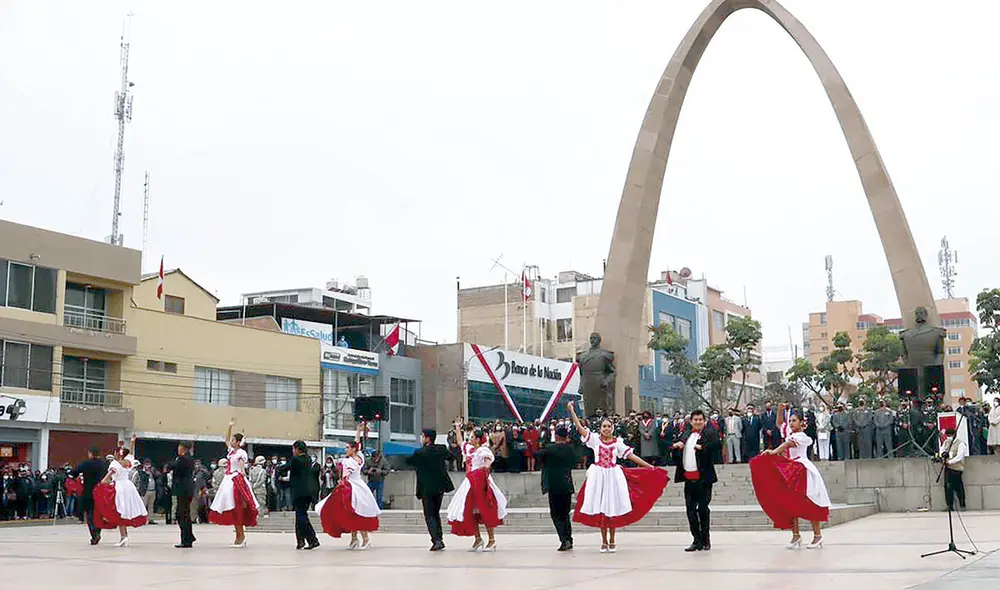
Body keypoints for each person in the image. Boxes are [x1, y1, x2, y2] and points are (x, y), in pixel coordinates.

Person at [568, 401, 667, 553]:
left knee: (611, 506)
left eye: (609, 426)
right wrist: (572, 411)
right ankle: (603, 541)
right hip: (599, 476)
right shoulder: (594, 440)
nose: (606, 429)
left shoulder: (617, 443)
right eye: (604, 426)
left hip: (613, 476)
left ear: (612, 428)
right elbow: (580, 428)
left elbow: (632, 456)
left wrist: (649, 467)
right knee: (601, 507)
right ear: (600, 429)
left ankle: (612, 540)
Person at [750, 412, 831, 549]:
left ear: (801, 422)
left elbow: (788, 444)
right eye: (791, 420)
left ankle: (817, 536)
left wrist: (774, 451)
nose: (792, 423)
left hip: (802, 469)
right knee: (790, 502)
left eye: (794, 420)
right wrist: (780, 409)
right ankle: (796, 535)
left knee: (810, 501)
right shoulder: (790, 433)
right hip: (791, 468)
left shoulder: (802, 437)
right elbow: (779, 424)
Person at [316, 422, 381, 549]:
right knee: (350, 514)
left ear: (352, 449)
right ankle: (354, 539)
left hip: (351, 487)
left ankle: (364, 538)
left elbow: (346, 476)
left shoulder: (349, 461)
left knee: (355, 513)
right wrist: (358, 430)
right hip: (356, 486)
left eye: (347, 448)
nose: (345, 449)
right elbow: (357, 443)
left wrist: (342, 483)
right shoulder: (359, 457)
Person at [446, 422, 507, 551]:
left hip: (481, 481)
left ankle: (491, 540)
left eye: (472, 437)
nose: (470, 439)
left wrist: (486, 467)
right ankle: (477, 538)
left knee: (485, 509)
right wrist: (457, 427)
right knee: (470, 510)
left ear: (478, 439)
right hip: (470, 482)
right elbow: (460, 442)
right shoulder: (468, 448)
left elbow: (488, 460)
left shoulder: (482, 450)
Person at [672, 409, 720, 552]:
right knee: (690, 510)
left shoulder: (710, 434)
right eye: (695, 420)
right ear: (691, 421)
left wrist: (702, 447)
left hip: (703, 479)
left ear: (704, 421)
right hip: (688, 478)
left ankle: (706, 540)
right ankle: (696, 540)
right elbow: (676, 450)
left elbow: (715, 447)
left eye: (700, 420)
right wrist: (676, 447)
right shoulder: (686, 434)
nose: (698, 422)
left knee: (703, 509)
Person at [208, 418, 259, 547]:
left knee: (237, 506)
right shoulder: (232, 451)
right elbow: (225, 440)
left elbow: (242, 466)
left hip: (236, 479)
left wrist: (242, 473)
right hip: (229, 479)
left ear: (238, 442)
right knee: (230, 506)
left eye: (233, 440)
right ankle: (239, 535)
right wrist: (229, 426)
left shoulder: (241, 453)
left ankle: (240, 536)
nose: (231, 442)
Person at [405, 427, 455, 551]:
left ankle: (436, 540)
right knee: (435, 513)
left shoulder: (419, 452)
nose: (421, 438)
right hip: (440, 486)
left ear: (427, 438)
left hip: (426, 487)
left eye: (423, 436)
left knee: (429, 514)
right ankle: (439, 538)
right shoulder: (441, 449)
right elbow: (451, 457)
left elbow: (409, 463)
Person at [93, 448, 148, 546]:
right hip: (128, 487)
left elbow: (107, 478)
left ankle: (123, 536)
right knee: (123, 511)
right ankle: (124, 536)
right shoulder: (128, 462)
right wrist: (132, 442)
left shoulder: (114, 464)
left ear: (117, 454)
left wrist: (103, 483)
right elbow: (131, 453)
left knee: (119, 510)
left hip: (119, 488)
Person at [537, 424, 579, 551]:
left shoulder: (549, 449)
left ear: (556, 436)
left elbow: (538, 457)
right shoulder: (570, 449)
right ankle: (569, 538)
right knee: (565, 514)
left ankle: (564, 539)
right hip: (566, 485)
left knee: (556, 514)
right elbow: (575, 462)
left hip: (553, 486)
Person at [278, 440, 320, 550]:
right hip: (308, 491)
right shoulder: (308, 459)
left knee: (302, 517)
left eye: (293, 449)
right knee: (300, 516)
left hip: (299, 492)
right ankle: (300, 541)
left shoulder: (296, 459)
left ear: (297, 449)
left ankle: (313, 539)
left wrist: (279, 468)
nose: (292, 451)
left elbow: (286, 467)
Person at [70, 447, 109, 545]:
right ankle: (98, 531)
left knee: (90, 514)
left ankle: (94, 533)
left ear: (91, 454)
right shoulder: (104, 464)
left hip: (88, 491)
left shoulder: (86, 463)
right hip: (102, 492)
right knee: (99, 513)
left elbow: (73, 474)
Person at [167, 442, 196, 548]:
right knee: (184, 515)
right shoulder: (187, 459)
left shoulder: (183, 459)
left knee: (182, 515)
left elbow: (171, 465)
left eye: (179, 447)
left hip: (183, 490)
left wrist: (168, 465)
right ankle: (188, 537)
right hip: (185, 490)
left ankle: (186, 539)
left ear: (183, 448)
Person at [940, 427, 968, 511]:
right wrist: (942, 456)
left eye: (949, 435)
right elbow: (942, 450)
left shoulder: (960, 444)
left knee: (958, 487)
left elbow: (959, 456)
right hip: (948, 468)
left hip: (956, 469)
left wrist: (950, 462)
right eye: (947, 435)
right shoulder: (946, 442)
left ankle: (962, 505)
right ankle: (949, 505)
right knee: (948, 487)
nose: (948, 437)